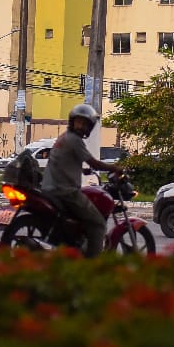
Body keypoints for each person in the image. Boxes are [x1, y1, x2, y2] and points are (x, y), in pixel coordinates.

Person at [41, 103, 116, 255]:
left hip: (50, 188)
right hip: (65, 191)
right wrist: (115, 168)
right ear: (72, 121)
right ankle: (94, 263)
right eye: (78, 122)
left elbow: (65, 162)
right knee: (98, 224)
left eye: (84, 123)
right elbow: (94, 163)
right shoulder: (75, 140)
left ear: (89, 127)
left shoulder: (64, 137)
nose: (81, 126)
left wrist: (81, 169)